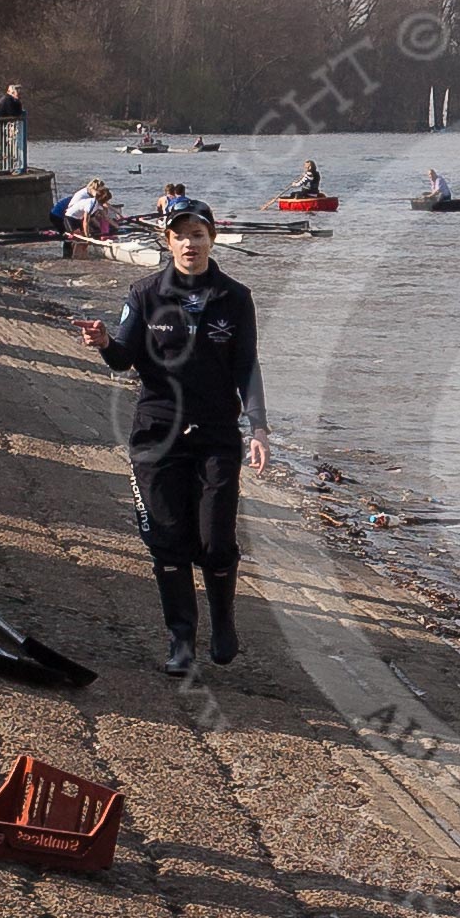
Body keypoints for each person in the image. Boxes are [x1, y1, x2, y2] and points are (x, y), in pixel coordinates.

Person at [71, 198, 270, 676]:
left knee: (215, 540)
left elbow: (247, 366)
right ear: (168, 242)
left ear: (211, 239)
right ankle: (181, 638)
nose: (189, 244)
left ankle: (222, 621)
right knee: (167, 539)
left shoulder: (235, 297)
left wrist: (259, 426)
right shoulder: (144, 293)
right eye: (180, 235)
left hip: (217, 433)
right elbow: (123, 358)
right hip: (157, 433)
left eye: (197, 235)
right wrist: (103, 343)